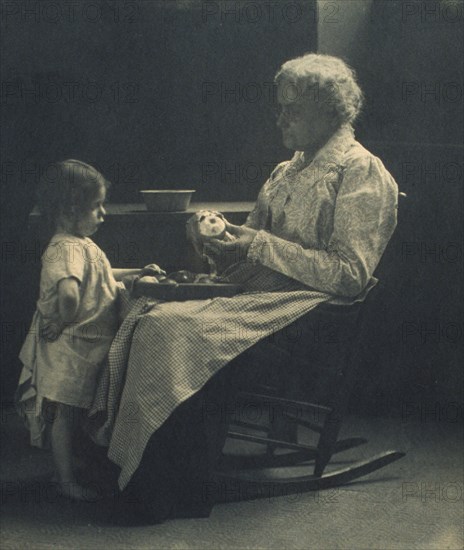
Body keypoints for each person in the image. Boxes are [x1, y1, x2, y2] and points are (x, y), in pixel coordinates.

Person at [93, 53, 399, 521]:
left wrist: (257, 244)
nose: (280, 118)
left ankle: (167, 490)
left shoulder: (361, 172)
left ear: (327, 110)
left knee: (176, 331)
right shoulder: (286, 171)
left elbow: (350, 274)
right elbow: (250, 243)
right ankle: (134, 469)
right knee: (148, 312)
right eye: (280, 107)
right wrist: (218, 241)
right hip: (262, 296)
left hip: (313, 312)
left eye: (291, 108)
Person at [15, 160, 158, 501]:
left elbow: (103, 276)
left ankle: (75, 469)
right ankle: (65, 482)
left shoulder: (81, 245)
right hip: (67, 346)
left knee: (73, 412)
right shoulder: (64, 248)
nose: (103, 214)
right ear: (69, 209)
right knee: (62, 415)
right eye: (97, 206)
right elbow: (69, 294)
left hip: (84, 345)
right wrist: (62, 322)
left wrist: (137, 270)